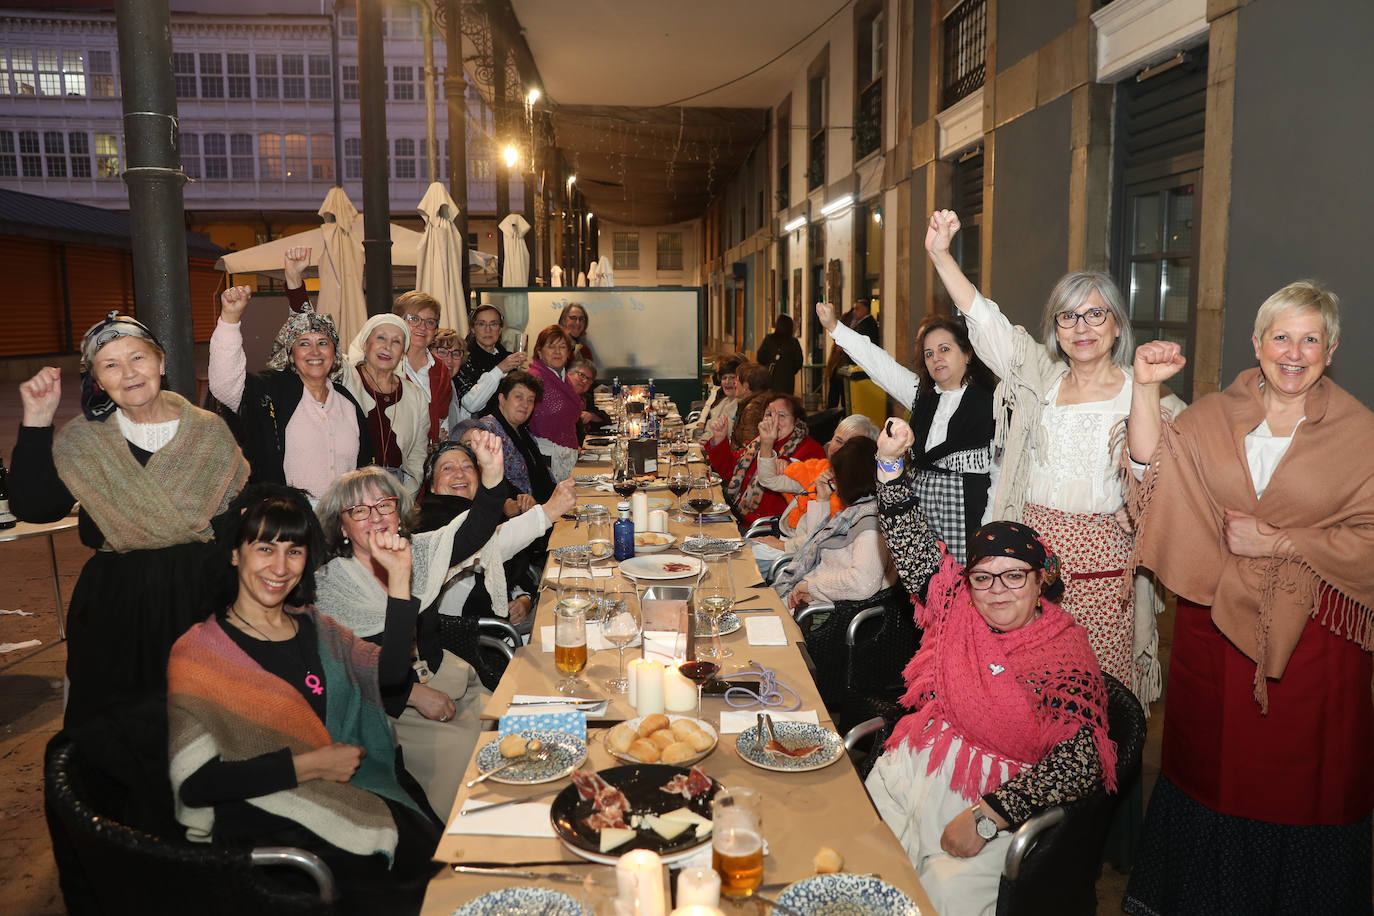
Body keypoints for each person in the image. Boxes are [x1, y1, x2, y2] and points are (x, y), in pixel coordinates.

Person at [1121, 282, 1374, 915]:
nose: (1295, 352)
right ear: (1256, 343)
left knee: (1306, 785)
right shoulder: (1212, 415)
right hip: (1216, 641)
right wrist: (1145, 386)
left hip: (1318, 646)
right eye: (1281, 336)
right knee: (1214, 773)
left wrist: (1280, 543)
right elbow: (1154, 468)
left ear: (1331, 349)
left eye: (1310, 338)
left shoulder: (1360, 433)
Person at [923, 208, 1184, 707]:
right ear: (1056, 327)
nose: (1081, 327)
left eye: (1095, 314)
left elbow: (1157, 479)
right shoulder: (1038, 378)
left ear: (1116, 325)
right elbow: (986, 320)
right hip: (1030, 572)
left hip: (1108, 581)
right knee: (1028, 696)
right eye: (1068, 315)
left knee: (1095, 705)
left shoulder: (1146, 394)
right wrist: (940, 254)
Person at [868, 418, 1116, 916]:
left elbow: (1080, 761)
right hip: (914, 771)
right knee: (863, 870)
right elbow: (912, 542)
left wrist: (987, 818)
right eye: (983, 577)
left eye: (1013, 576)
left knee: (941, 898)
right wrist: (891, 465)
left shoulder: (1064, 655)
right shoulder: (959, 608)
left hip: (988, 805)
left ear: (1041, 580)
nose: (997, 590)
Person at [167, 485, 440, 916]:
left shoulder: (314, 628)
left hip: (343, 794)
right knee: (410, 882)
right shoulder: (200, 653)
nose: (280, 567)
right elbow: (198, 784)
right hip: (267, 823)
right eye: (264, 548)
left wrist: (399, 578)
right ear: (235, 554)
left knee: (438, 857)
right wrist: (310, 765)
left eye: (294, 551)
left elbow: (389, 676)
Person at [12, 314, 250, 729]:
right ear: (98, 382)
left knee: (207, 721)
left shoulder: (208, 432)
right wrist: (37, 419)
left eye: (137, 357)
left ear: (160, 362)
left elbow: (235, 520)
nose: (129, 373)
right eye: (111, 365)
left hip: (200, 595)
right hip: (115, 604)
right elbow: (34, 508)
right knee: (119, 728)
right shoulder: (85, 440)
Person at [312, 428, 508, 820]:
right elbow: (350, 675)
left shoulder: (418, 549)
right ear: (342, 527)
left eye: (385, 506)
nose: (376, 518)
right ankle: (471, 852)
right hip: (391, 707)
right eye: (360, 511)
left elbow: (480, 524)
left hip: (446, 676)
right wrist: (414, 695)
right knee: (472, 773)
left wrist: (492, 473)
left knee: (515, 738)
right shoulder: (329, 586)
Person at [818, 304, 999, 562]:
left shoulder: (991, 404)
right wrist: (836, 328)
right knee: (924, 589)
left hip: (967, 521)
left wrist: (988, 532)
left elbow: (999, 474)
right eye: (928, 354)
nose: (936, 358)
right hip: (919, 517)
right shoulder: (921, 394)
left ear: (968, 354)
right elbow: (879, 364)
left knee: (961, 593)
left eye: (944, 349)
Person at [209, 248, 372, 498]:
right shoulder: (269, 394)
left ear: (335, 353)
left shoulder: (347, 402)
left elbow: (364, 471)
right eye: (303, 344)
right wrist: (230, 320)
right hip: (289, 524)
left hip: (343, 523)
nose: (315, 351)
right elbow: (224, 385)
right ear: (290, 355)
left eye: (324, 342)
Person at [418, 441, 575, 636]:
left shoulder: (481, 515)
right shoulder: (429, 524)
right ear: (431, 485)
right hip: (469, 642)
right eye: (447, 468)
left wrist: (523, 598)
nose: (459, 474)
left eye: (467, 466)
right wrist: (548, 512)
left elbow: (517, 566)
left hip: (506, 628)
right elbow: (487, 549)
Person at [774, 435, 897, 608]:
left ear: (848, 478)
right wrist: (823, 497)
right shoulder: (859, 510)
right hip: (810, 600)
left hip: (818, 613)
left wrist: (812, 587)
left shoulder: (870, 522)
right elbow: (814, 543)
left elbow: (864, 583)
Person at [750, 414, 881, 574]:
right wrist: (767, 443)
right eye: (838, 441)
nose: (840, 450)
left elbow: (822, 540)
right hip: (783, 542)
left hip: (794, 557)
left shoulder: (856, 493)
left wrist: (783, 546)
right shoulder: (819, 469)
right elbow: (768, 479)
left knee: (735, 561)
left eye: (849, 446)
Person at [339, 314, 429, 497]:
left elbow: (418, 455)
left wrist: (407, 496)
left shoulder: (416, 396)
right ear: (365, 343)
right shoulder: (344, 378)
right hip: (349, 488)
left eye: (397, 342)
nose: (387, 347)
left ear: (403, 352)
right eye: (381, 337)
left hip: (395, 492)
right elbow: (317, 337)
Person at [707, 393, 824, 527]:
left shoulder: (811, 449)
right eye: (769, 414)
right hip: (738, 515)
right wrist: (720, 438)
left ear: (796, 421)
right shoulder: (758, 443)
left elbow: (805, 483)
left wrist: (788, 464)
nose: (774, 421)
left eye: (781, 415)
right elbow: (729, 470)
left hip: (766, 528)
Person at [477, 371, 557, 502]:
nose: (525, 405)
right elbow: (485, 477)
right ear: (502, 399)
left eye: (530, 400)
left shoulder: (523, 431)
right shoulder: (487, 430)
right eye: (519, 397)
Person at [394, 290, 452, 446]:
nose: (422, 327)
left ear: (435, 330)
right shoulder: (387, 364)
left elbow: (442, 418)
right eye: (414, 319)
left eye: (430, 322)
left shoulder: (440, 369)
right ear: (398, 322)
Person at [526, 324, 582, 482]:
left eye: (562, 347)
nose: (557, 352)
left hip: (566, 453)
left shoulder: (563, 378)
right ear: (539, 352)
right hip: (546, 458)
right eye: (551, 346)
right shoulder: (534, 379)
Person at [453, 303, 525, 420]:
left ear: (500, 329)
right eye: (481, 324)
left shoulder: (507, 357)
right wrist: (499, 370)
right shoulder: (463, 359)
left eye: (493, 324)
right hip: (476, 430)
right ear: (473, 329)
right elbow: (471, 405)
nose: (488, 330)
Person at [826, 298, 881, 408]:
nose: (854, 312)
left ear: (865, 310)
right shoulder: (858, 322)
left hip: (851, 365)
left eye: (857, 309)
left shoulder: (867, 324)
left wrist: (845, 346)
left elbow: (860, 344)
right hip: (842, 365)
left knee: (845, 399)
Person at [692, 355, 743, 440]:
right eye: (724, 378)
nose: (727, 382)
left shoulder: (740, 406)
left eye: (732, 377)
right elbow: (709, 432)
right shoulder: (723, 402)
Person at [728, 360, 774, 448]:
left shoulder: (753, 409)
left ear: (746, 386)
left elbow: (750, 447)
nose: (734, 383)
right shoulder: (762, 401)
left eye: (737, 380)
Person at [756, 314, 804, 395]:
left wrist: (767, 366)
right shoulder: (793, 342)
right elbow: (799, 362)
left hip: (769, 378)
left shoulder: (769, 339)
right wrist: (790, 371)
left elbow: (760, 357)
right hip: (787, 381)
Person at [567, 358, 612, 438]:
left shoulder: (585, 398)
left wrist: (592, 416)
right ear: (568, 374)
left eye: (589, 379)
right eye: (581, 375)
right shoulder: (562, 398)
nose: (584, 381)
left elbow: (607, 419)